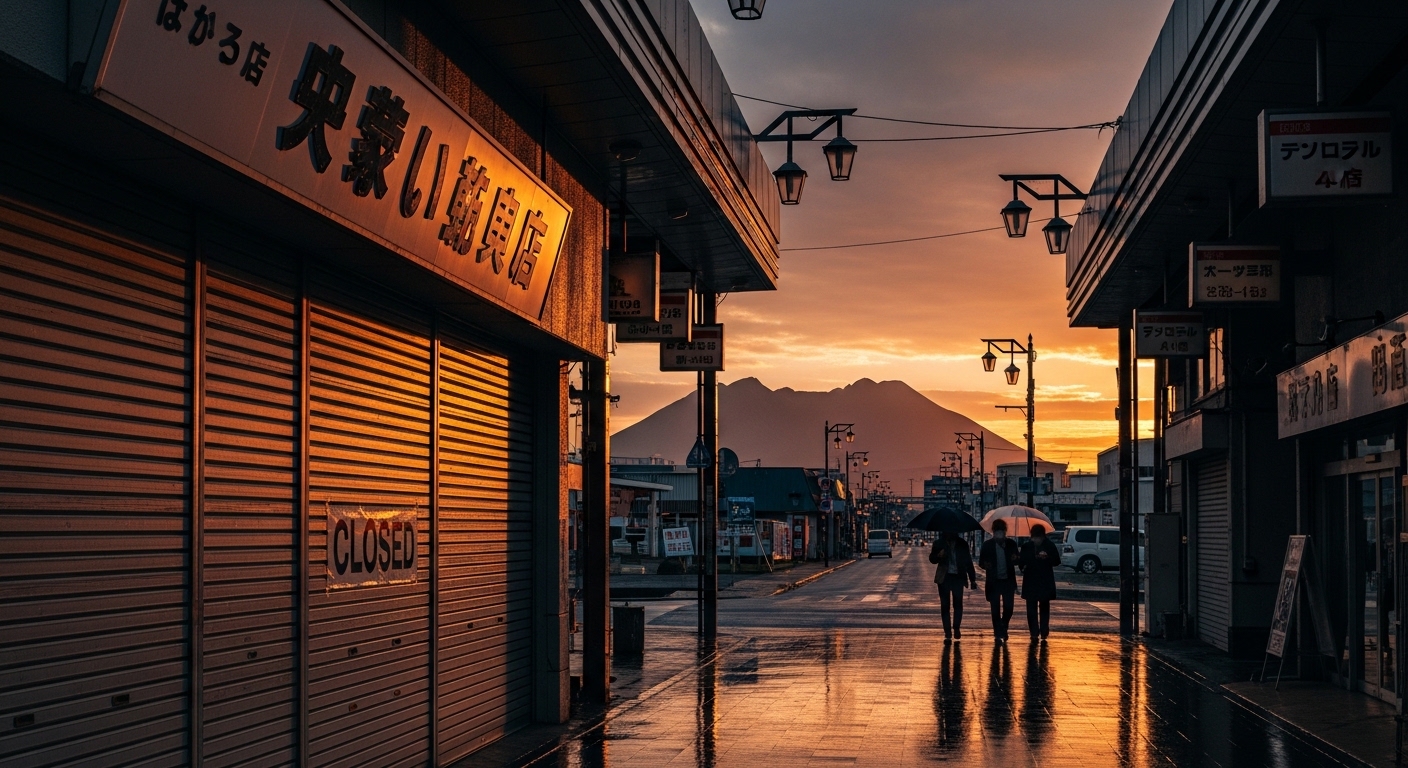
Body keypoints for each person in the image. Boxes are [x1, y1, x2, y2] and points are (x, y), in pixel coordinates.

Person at [930, 532, 978, 641]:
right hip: (944, 578)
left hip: (958, 577)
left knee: (958, 604)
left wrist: (972, 579)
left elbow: (968, 562)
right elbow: (932, 559)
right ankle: (947, 631)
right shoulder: (939, 543)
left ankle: (956, 628)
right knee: (945, 605)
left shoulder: (962, 544)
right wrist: (939, 555)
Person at [978, 519, 1020, 642]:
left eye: (1001, 532)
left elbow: (1017, 560)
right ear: (994, 532)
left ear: (1005, 532)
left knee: (1009, 608)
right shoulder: (988, 545)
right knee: (995, 609)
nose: (999, 535)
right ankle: (998, 632)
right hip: (993, 582)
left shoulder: (1011, 544)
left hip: (1008, 581)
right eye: (997, 532)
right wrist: (987, 565)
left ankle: (1003, 625)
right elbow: (981, 562)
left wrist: (1015, 558)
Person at [1019, 523, 1061, 641]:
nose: (1037, 540)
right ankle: (1034, 631)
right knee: (1031, 608)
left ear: (1043, 536)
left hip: (1044, 580)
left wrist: (1047, 558)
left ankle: (1043, 630)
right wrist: (1024, 566)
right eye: (1035, 537)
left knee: (1044, 607)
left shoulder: (1049, 546)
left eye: (1039, 537)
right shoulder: (1027, 547)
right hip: (1031, 580)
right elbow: (1021, 562)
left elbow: (1057, 561)